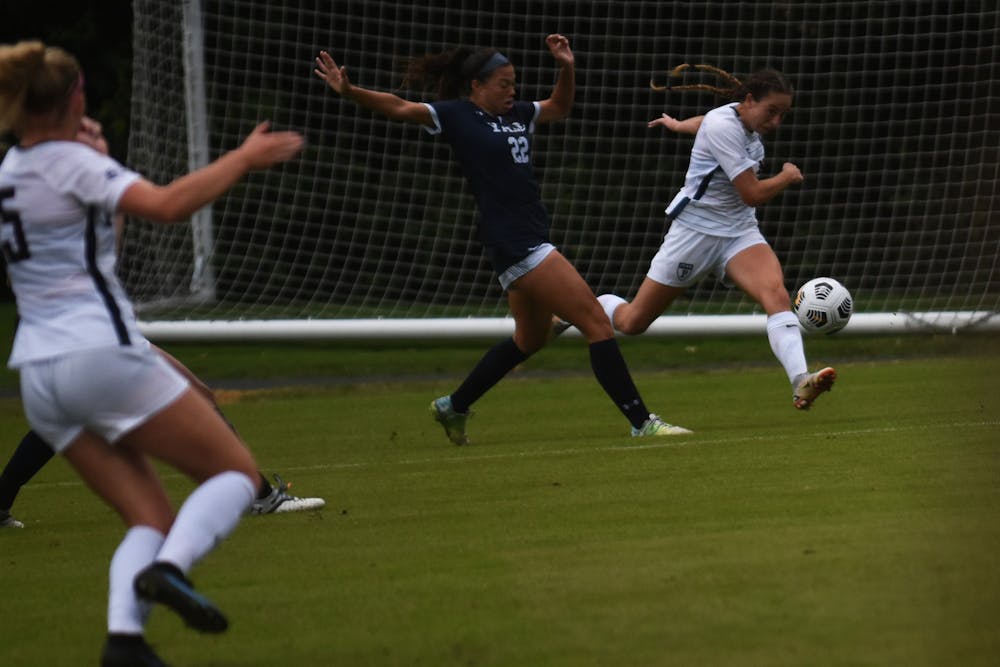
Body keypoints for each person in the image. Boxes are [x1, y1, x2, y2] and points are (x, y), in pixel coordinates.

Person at [0, 41, 304, 666]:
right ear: (72, 98)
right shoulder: (69, 163)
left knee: (148, 514)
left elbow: (88, 236)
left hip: (36, 371)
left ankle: (125, 644)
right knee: (235, 476)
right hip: (96, 354)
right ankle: (168, 571)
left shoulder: (11, 169)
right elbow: (167, 205)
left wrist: (98, 162)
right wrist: (243, 157)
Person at [314, 35, 690, 444]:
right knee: (597, 324)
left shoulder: (519, 114)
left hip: (523, 236)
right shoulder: (457, 115)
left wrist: (566, 66)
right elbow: (400, 107)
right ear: (477, 85)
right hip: (516, 240)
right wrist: (350, 91)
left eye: (514, 83)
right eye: (504, 84)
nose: (512, 91)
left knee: (529, 338)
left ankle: (453, 406)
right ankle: (641, 421)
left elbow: (560, 107)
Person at [0, 118, 324, 530]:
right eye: (85, 130)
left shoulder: (28, 175)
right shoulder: (77, 179)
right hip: (90, 333)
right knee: (160, 486)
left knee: (64, 419)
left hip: (55, 336)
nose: (96, 130)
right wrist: (242, 158)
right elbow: (169, 205)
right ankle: (257, 496)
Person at [593, 65, 836, 410]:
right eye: (772, 111)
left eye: (783, 114)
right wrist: (786, 176)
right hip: (695, 233)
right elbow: (751, 192)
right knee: (634, 322)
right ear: (750, 100)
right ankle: (588, 306)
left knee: (776, 295)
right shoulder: (725, 126)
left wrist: (678, 125)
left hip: (739, 232)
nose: (777, 122)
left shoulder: (736, 119)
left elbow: (704, 122)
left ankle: (801, 381)